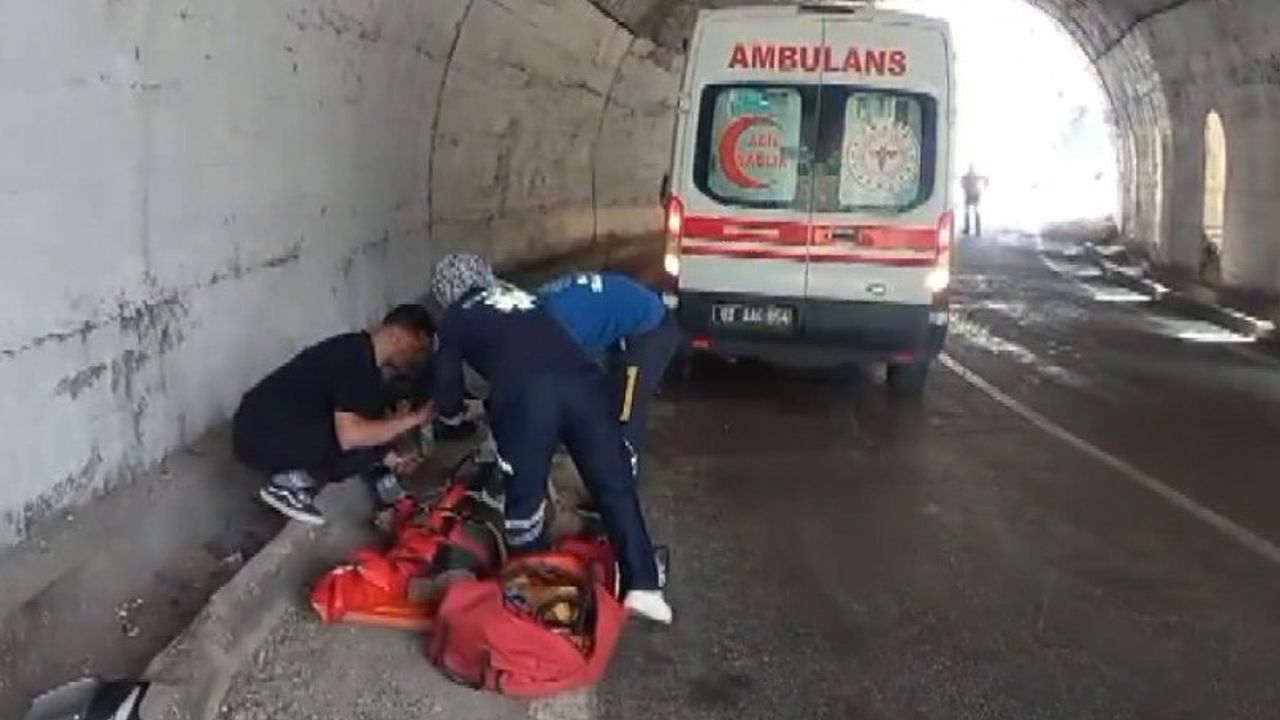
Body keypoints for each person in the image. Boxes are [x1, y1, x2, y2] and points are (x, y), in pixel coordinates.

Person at [430, 253, 673, 624]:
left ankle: (537, 593)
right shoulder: (523, 298)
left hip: (528, 396)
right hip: (584, 384)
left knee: (524, 503)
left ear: (446, 293)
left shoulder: (455, 318)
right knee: (614, 486)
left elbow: (447, 386)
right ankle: (644, 588)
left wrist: (452, 417)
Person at [233, 304, 436, 525]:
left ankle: (296, 479)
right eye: (417, 348)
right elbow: (351, 436)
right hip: (259, 432)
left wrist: (391, 458)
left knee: (368, 436)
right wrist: (412, 419)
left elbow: (368, 430)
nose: (417, 358)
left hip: (273, 428)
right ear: (396, 335)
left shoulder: (365, 362)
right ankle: (286, 485)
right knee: (352, 437)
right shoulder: (353, 357)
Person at [536, 271, 680, 463]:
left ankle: (624, 470)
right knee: (606, 398)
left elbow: (566, 379)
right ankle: (592, 451)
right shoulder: (537, 307)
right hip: (620, 324)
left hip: (650, 332)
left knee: (625, 411)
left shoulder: (562, 327)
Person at [961, 165, 989, 237]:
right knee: (974, 211)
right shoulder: (975, 175)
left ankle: (968, 229)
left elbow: (962, 182)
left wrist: (964, 188)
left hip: (970, 194)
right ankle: (977, 230)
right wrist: (984, 187)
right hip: (975, 194)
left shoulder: (966, 176)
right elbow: (986, 179)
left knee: (968, 211)